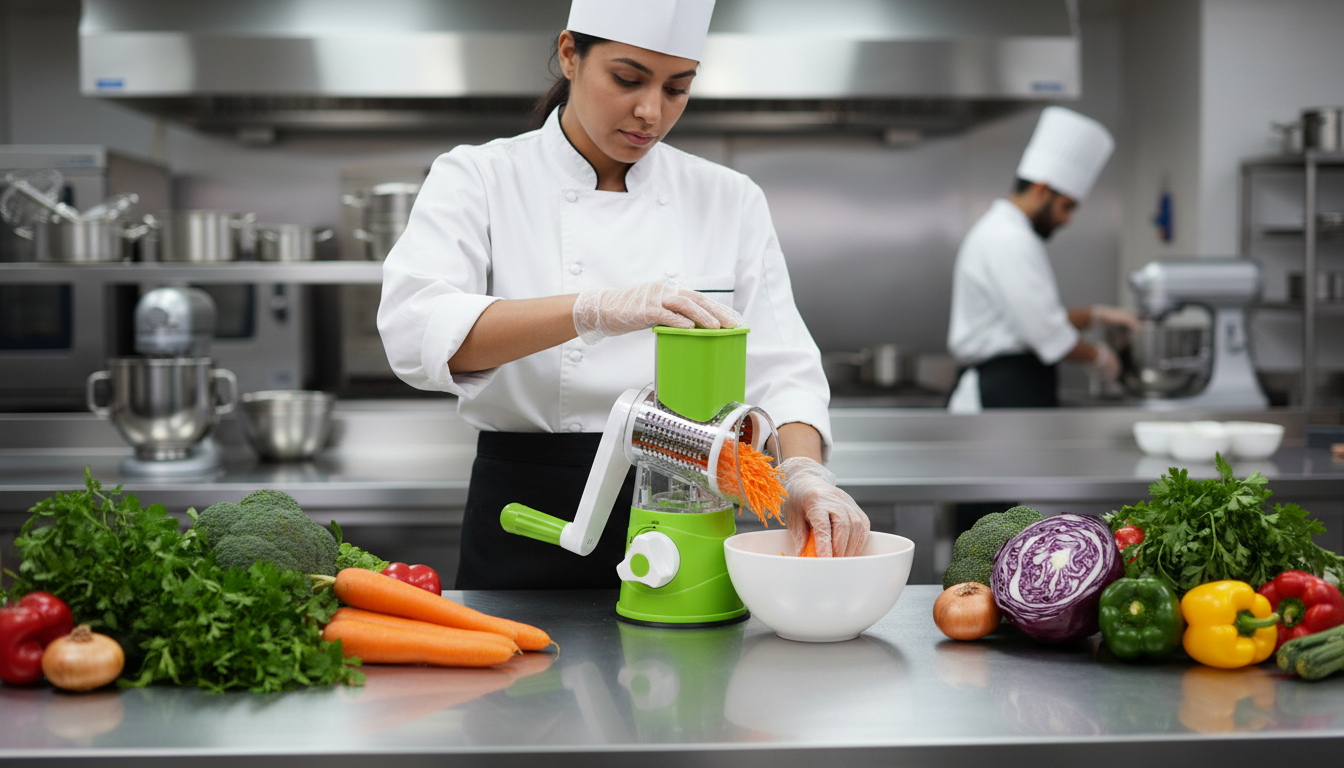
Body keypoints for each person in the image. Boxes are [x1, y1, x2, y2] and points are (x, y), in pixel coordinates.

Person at [377, 0, 869, 589]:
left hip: (687, 496)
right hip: (528, 502)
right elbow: (416, 331)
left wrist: (803, 473)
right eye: (628, 79)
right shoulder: (480, 176)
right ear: (570, 55)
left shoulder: (728, 196)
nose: (650, 112)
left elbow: (781, 365)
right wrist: (591, 309)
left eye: (677, 88)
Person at [946, 106, 1141, 412]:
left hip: (1012, 386)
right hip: (1003, 390)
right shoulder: (1007, 238)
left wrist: (1097, 316)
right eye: (1067, 206)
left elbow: (1030, 321)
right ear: (1040, 190)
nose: (1067, 220)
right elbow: (1044, 331)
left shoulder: (1007, 231)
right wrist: (1100, 357)